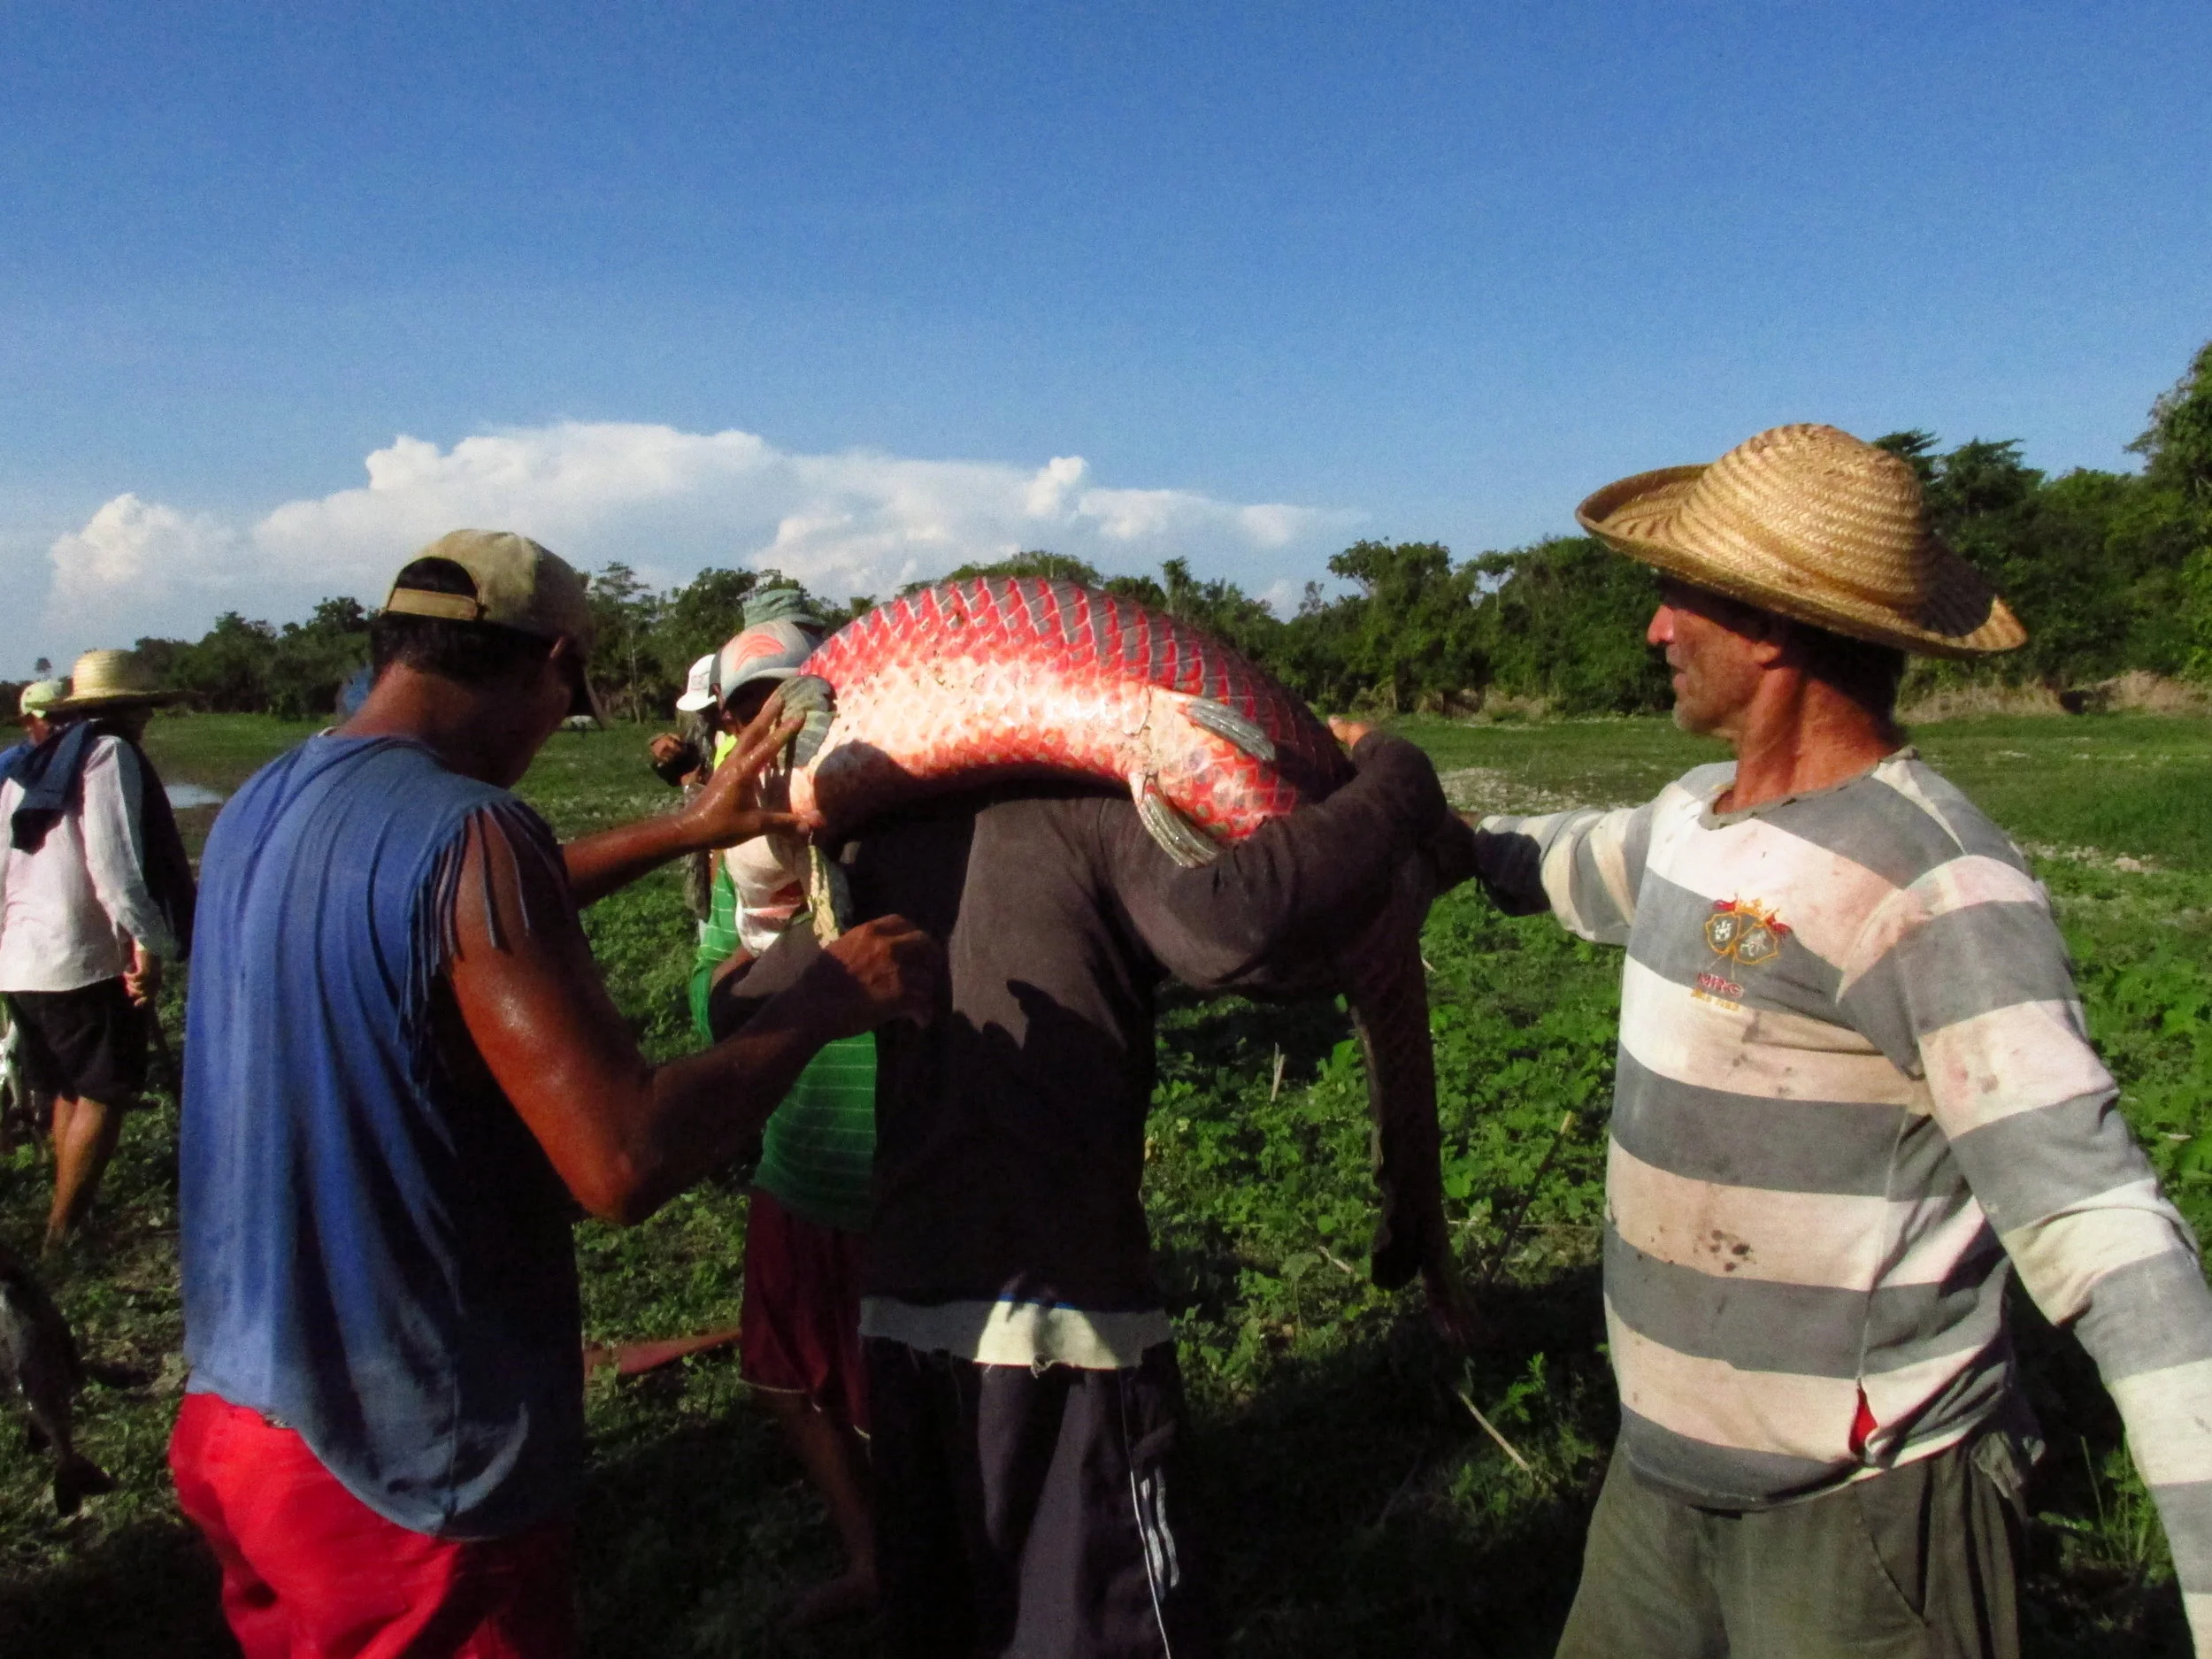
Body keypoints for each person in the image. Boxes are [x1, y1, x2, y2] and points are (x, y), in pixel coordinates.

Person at [1459, 425, 2212, 1659]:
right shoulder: (1696, 818)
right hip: (1660, 1483)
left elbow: (2100, 1226)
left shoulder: (1935, 887)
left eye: (1678, 594)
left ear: (1767, 626)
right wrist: (1367, 800)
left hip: (1866, 1526)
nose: (1654, 628)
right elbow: (1540, 861)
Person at [168, 530, 941, 1659]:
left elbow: (454, 919)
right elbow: (620, 1163)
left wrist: (683, 829)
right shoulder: (472, 832)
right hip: (406, 1459)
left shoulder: (268, 800)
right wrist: (822, 1001)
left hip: (241, 1418)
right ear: (558, 662)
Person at [716, 722, 1471, 1657]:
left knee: (948, 1625)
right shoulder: (1094, 814)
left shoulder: (882, 843)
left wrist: (761, 924)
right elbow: (1238, 926)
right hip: (1065, 1336)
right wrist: (1396, 781)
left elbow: (736, 1008)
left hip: (904, 1328)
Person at [689, 596, 882, 1628]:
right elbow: (707, 1009)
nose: (772, 738)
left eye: (796, 714)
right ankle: (872, 1555)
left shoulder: (892, 827)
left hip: (897, 1175)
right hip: (795, 1173)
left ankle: (935, 1564)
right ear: (726, 732)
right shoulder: (739, 855)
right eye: (749, 718)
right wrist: (767, 920)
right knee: (785, 1379)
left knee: (903, 1395)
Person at [0, 653, 194, 1250]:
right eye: (144, 710)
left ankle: (66, 1214)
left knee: (65, 1088)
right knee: (107, 1091)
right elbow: (116, 869)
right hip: (78, 956)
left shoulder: (29, 764)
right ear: (131, 710)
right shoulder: (108, 755)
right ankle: (65, 1231)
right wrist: (152, 948)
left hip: (24, 956)